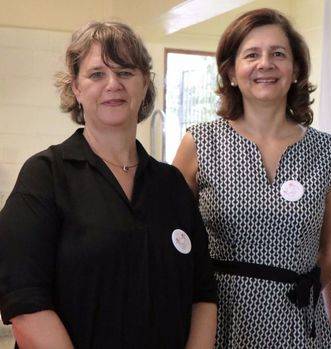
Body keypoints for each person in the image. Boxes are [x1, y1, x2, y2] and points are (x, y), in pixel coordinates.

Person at [0, 21, 217, 348]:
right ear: (75, 87)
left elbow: (203, 294)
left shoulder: (170, 185)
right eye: (97, 74)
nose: (113, 84)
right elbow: (26, 302)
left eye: (126, 72)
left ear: (144, 84)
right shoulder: (46, 175)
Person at [173, 8, 331, 348]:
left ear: (295, 69)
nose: (265, 64)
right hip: (219, 321)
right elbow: (172, 235)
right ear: (232, 72)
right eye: (251, 54)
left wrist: (291, 287)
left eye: (278, 54)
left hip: (298, 323)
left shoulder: (327, 152)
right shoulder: (199, 143)